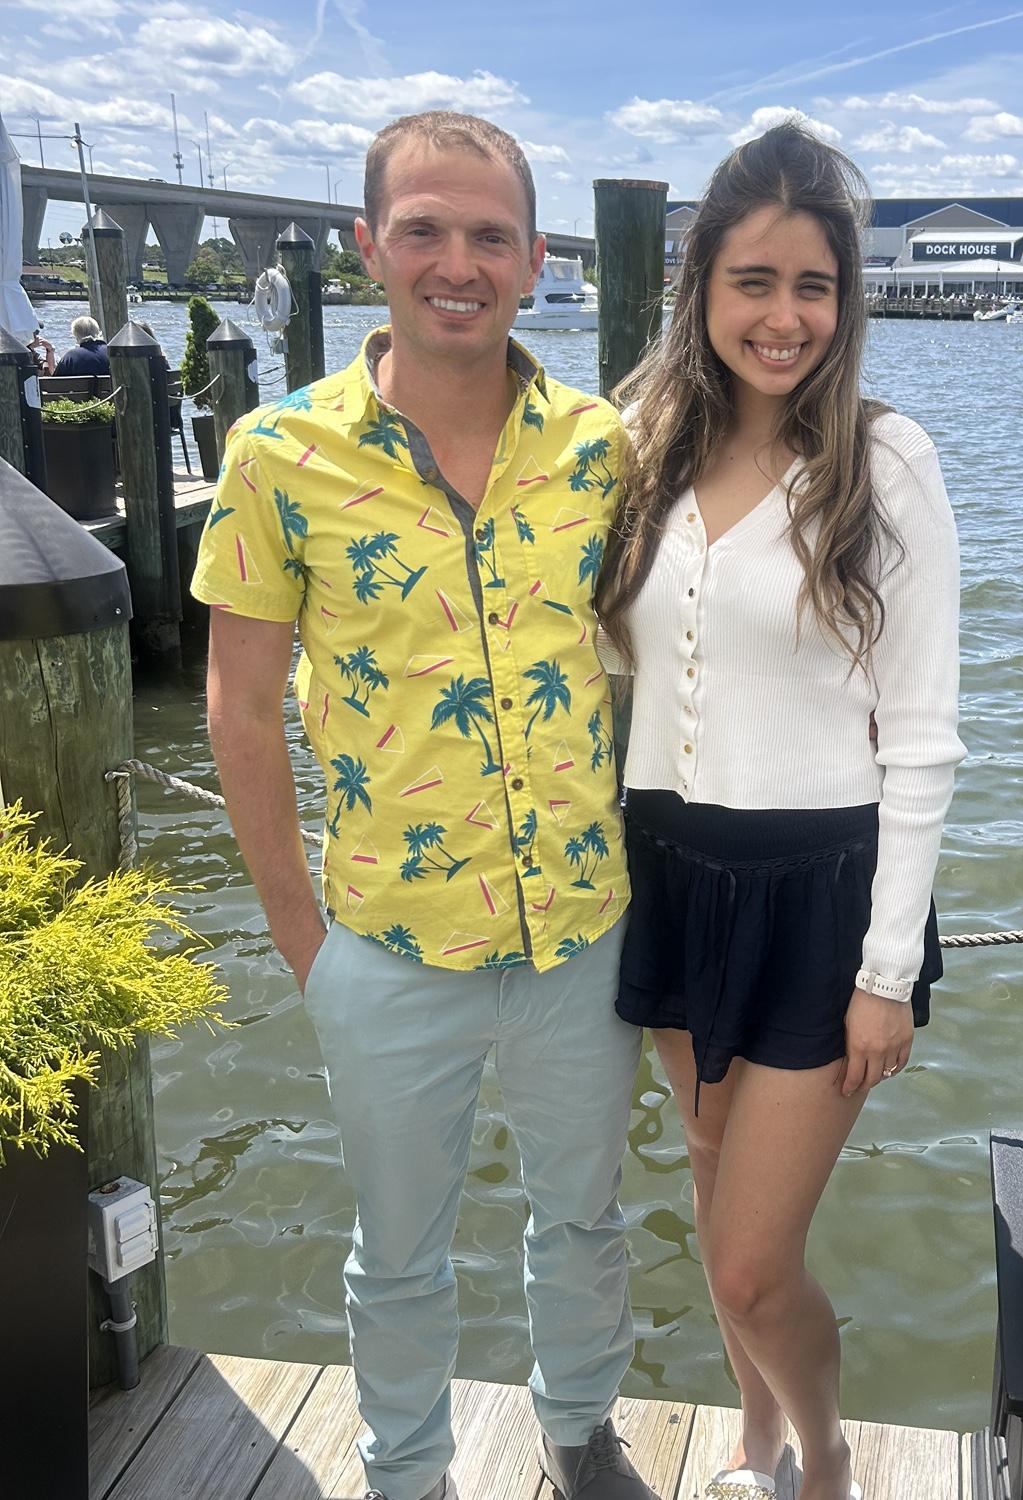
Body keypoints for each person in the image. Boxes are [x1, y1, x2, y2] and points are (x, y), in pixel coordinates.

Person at [191, 111, 658, 1500]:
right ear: (367, 246)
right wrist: (307, 948)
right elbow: (237, 709)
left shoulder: (603, 446)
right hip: (386, 944)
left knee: (585, 1222)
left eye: (491, 236)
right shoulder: (276, 455)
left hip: (583, 931)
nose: (460, 263)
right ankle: (406, 1473)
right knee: (397, 1250)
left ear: (535, 258)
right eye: (425, 231)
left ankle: (579, 1430)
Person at [596, 123, 964, 1500]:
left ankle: (824, 1457)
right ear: (700, 281)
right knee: (706, 1186)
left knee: (754, 1263)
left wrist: (887, 975)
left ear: (846, 299)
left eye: (814, 285)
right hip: (671, 872)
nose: (784, 316)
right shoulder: (642, 444)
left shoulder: (885, 459)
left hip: (822, 898)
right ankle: (749, 1442)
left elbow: (921, 741)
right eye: (754, 280)